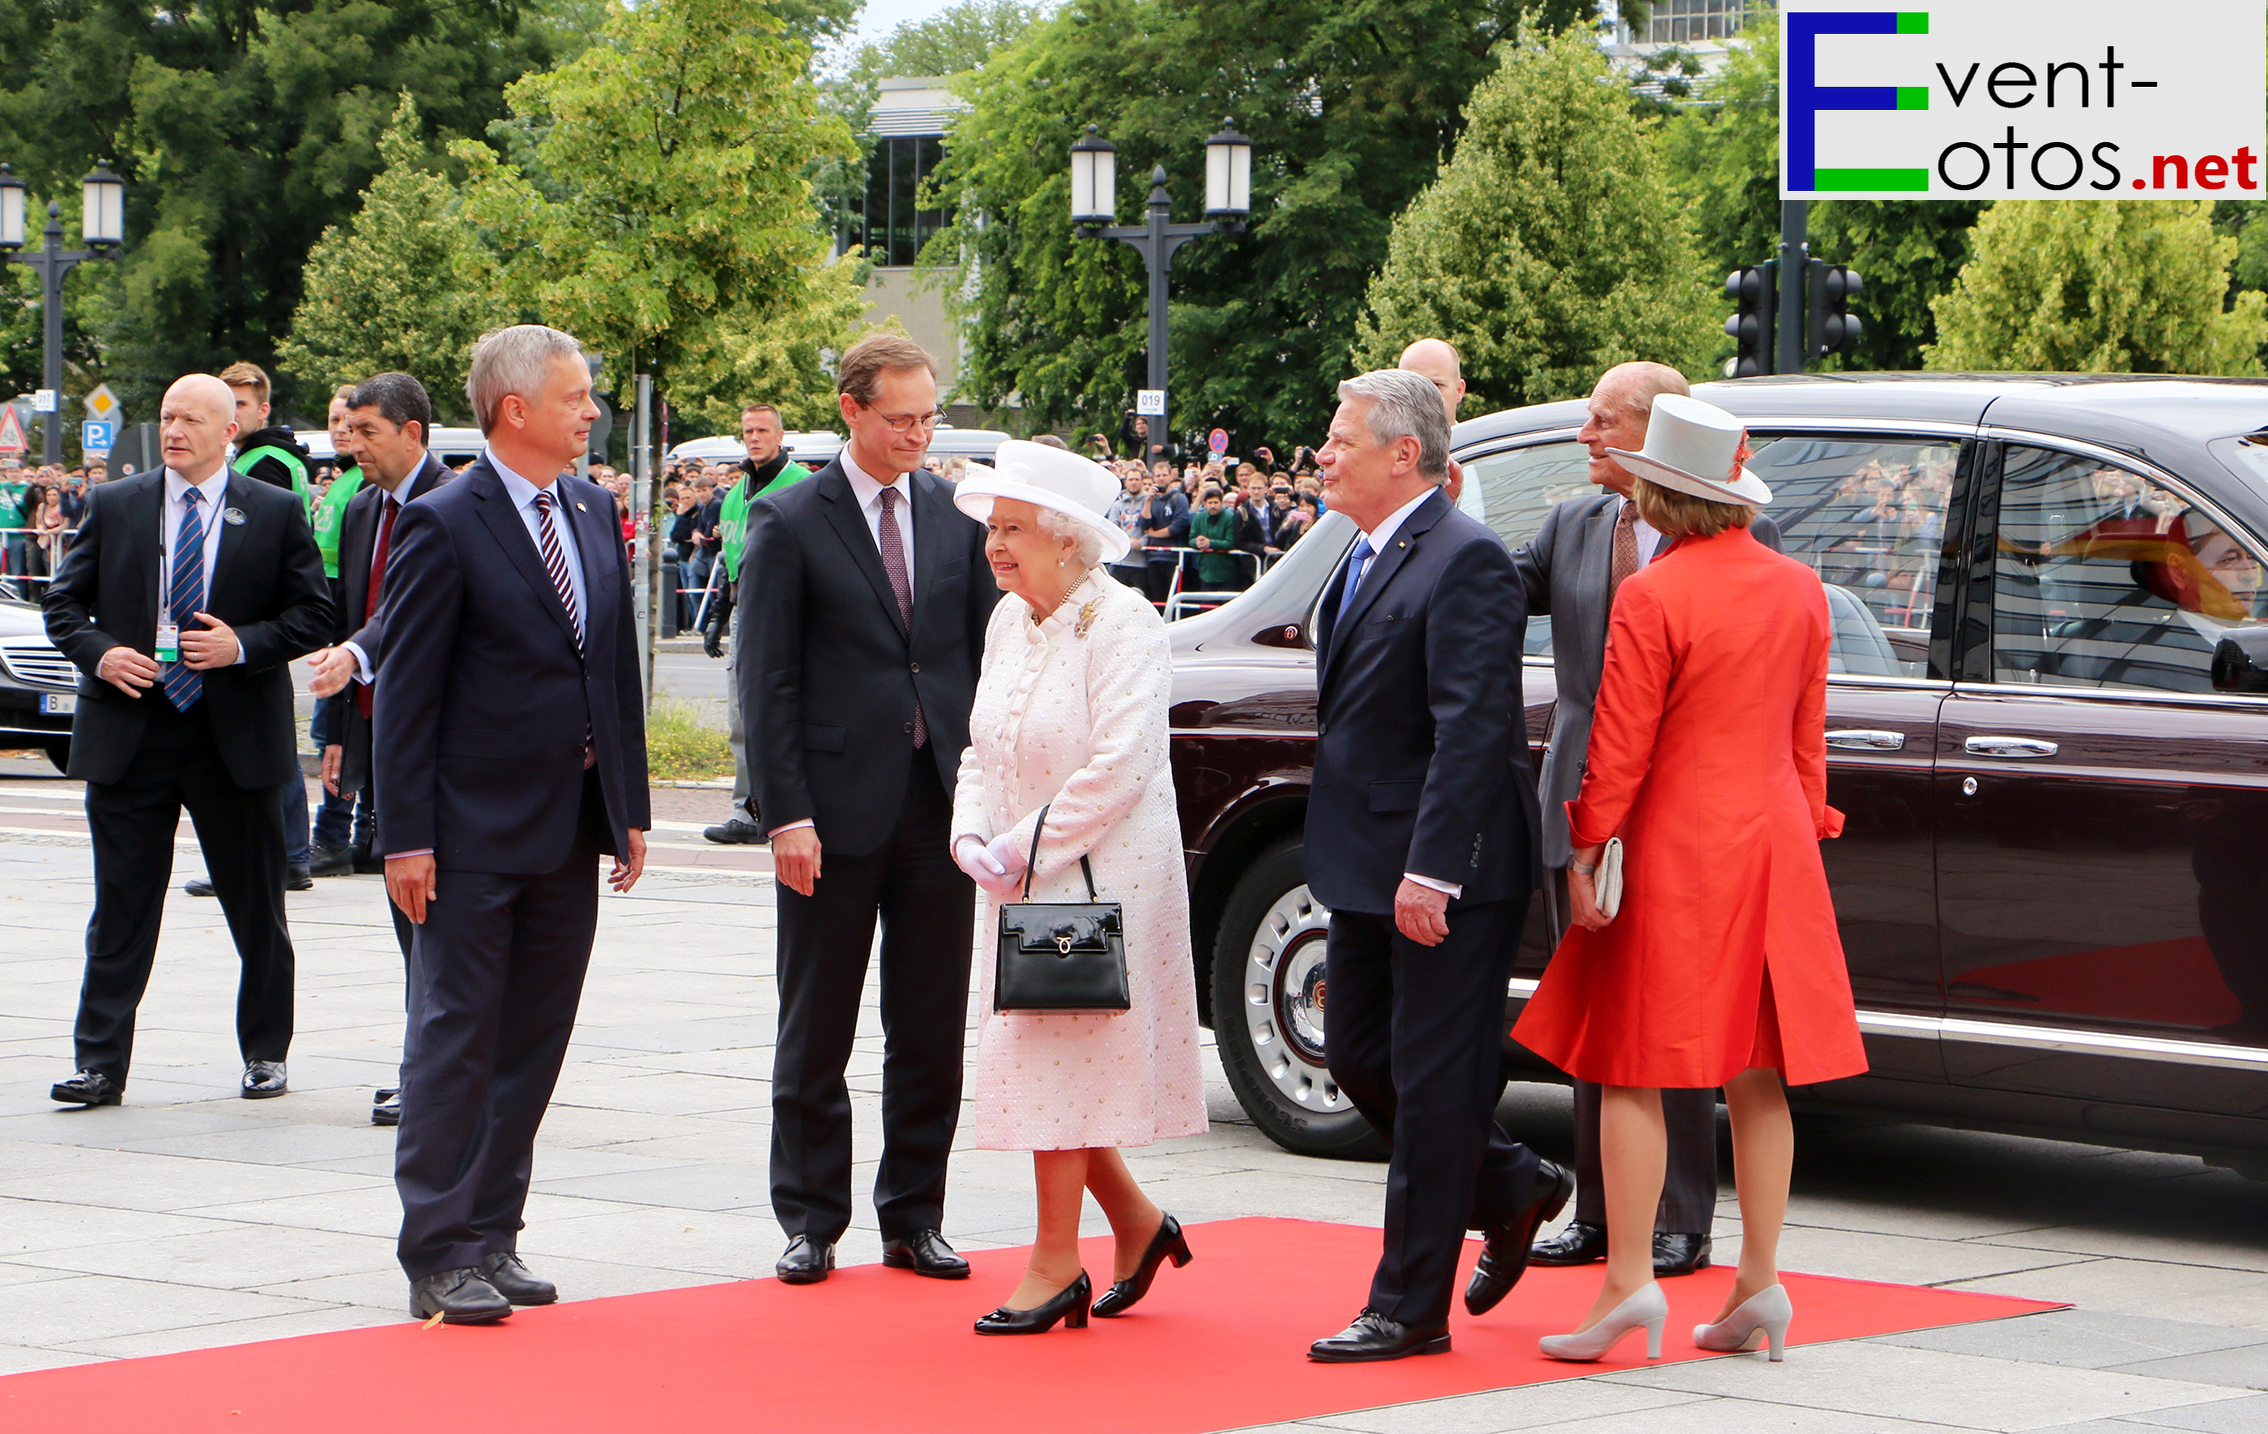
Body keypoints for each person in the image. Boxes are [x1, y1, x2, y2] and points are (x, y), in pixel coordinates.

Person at [1512, 394, 1867, 1363]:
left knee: (1631, 1063)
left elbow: (1618, 752)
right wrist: (1801, 836)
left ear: (1667, 496)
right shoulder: (1801, 589)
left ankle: (1629, 1287)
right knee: (1758, 1074)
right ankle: (1759, 1282)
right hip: (1776, 847)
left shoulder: (1656, 595)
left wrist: (1586, 851)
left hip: (1676, 847)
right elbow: (1808, 751)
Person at [375, 325, 649, 1323]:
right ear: (515, 409)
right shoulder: (445, 521)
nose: (592, 412)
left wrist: (629, 809)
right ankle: (438, 1249)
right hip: (467, 831)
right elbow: (406, 695)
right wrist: (405, 837)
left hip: (569, 825)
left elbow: (610, 668)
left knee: (535, 1038)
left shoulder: (589, 504)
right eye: (576, 397)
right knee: (457, 1041)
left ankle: (493, 1232)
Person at [1302, 370, 1569, 1363]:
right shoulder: (1365, 550)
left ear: (1402, 454)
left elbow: (1473, 732)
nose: (1324, 454)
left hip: (1443, 872)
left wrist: (1435, 872)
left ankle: (1409, 1307)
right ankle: (1509, 1183)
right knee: (1360, 1059)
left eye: (1341, 439)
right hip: (1366, 861)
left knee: (1433, 1081)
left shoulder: (1467, 560)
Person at [739, 333, 997, 1287]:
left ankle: (914, 1217)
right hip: (830, 815)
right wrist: (783, 814)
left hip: (938, 807)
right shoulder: (789, 518)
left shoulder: (956, 510)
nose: (918, 436)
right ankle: (810, 1219)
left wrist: (987, 789)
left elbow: (979, 656)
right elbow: (765, 683)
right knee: (816, 1025)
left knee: (929, 1026)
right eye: (900, 420)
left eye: (929, 417)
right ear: (851, 410)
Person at [1514, 362, 1782, 1280]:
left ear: (1656, 431)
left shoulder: (1735, 542)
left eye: (1601, 420)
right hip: (1579, 796)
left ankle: (1680, 1221)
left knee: (1676, 1023)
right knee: (1598, 1019)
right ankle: (1602, 1215)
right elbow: (1500, 592)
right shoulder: (1574, 523)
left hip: (1683, 813)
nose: (1584, 434)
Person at [947, 441, 1208, 1334]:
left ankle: (1058, 1263)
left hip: (1103, 879)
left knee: (1052, 1062)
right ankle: (1136, 1224)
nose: (996, 545)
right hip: (1019, 878)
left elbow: (1119, 767)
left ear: (1068, 540)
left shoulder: (1125, 624)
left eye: (1013, 528)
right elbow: (983, 745)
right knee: (1048, 1067)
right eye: (993, 528)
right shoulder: (1008, 623)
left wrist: (1019, 846)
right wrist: (970, 832)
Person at [41, 374, 334, 1107]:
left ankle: (266, 1052)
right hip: (132, 729)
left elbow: (313, 614)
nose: (174, 430)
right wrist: (101, 652)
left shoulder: (271, 509)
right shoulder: (116, 503)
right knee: (121, 909)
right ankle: (99, 1065)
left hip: (230, 736)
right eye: (167, 416)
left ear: (228, 428)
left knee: (257, 908)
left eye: (191, 419)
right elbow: (64, 603)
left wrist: (243, 645)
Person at [304, 372, 452, 1128]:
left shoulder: (456, 506)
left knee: (437, 916)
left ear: (413, 433)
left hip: (448, 745)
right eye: (347, 429)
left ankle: (432, 1068)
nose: (350, 444)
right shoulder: (363, 509)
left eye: (366, 431)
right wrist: (338, 735)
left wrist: (355, 658)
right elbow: (357, 618)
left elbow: (407, 618)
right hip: (380, 732)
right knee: (408, 912)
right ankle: (427, 1062)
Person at [704, 402, 812, 846]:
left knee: (797, 716)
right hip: (747, 616)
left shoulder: (804, 487)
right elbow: (732, 563)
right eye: (748, 430)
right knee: (742, 716)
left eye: (763, 429)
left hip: (795, 617)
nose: (754, 437)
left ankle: (795, 806)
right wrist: (717, 615)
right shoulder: (734, 495)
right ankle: (747, 809)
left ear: (779, 434)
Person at [1187, 487, 1243, 591]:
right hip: (1206, 571)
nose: (1213, 506)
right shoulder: (1198, 518)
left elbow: (1231, 543)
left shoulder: (1230, 517)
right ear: (1204, 503)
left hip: (1227, 571)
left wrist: (1210, 543)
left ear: (1222, 503)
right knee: (1206, 605)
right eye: (1210, 502)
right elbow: (1191, 539)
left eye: (1216, 502)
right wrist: (1197, 542)